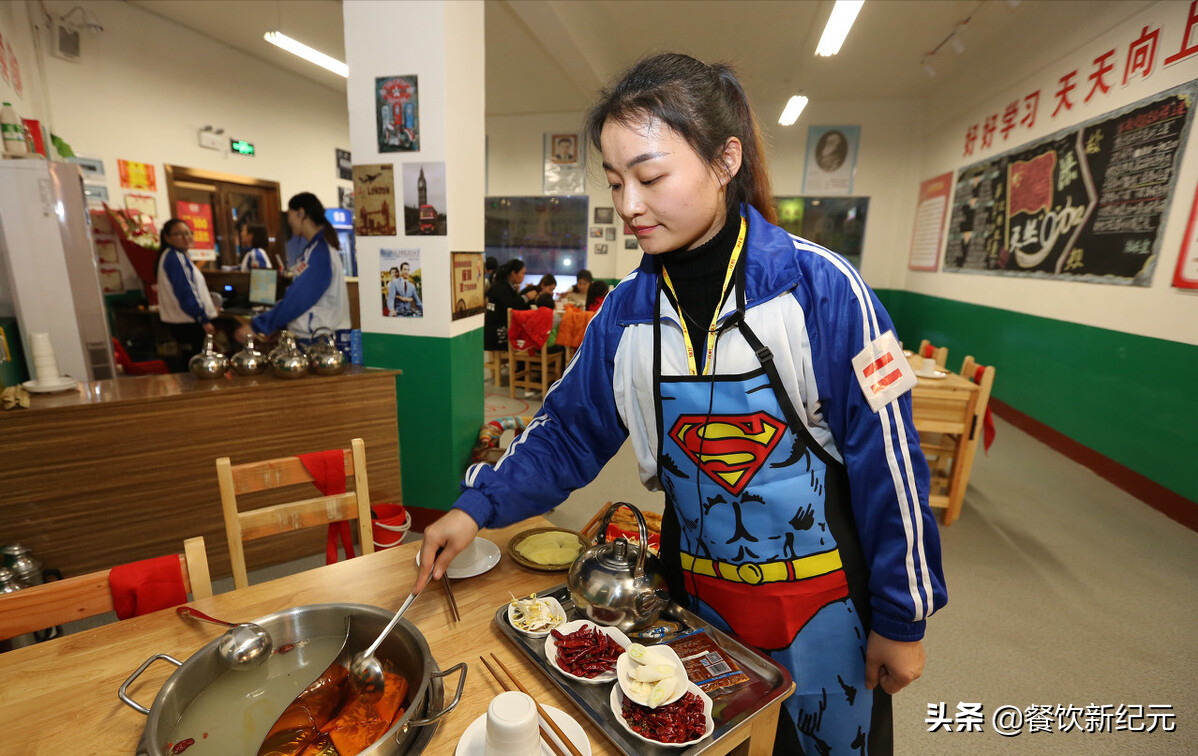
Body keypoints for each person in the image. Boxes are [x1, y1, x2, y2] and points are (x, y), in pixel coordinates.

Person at [418, 53, 945, 755]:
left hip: (825, 611)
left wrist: (902, 621)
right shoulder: (624, 317)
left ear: (726, 160)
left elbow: (893, 467)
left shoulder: (824, 292)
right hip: (694, 610)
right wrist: (474, 505)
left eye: (651, 176)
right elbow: (567, 433)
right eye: (614, 183)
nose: (629, 205)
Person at [236, 193, 350, 344]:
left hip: (321, 341)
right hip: (314, 338)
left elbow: (299, 298)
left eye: (290, 217)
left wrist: (259, 326)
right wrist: (278, 327)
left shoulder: (320, 253)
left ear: (300, 213)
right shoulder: (313, 250)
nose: (289, 222)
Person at [155, 218, 218, 371]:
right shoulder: (175, 257)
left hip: (183, 321)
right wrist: (203, 319)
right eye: (179, 234)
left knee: (189, 364)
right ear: (167, 237)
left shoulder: (175, 255)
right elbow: (186, 291)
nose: (186, 237)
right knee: (196, 366)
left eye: (188, 233)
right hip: (188, 322)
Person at [484, 259, 530, 351]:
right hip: (496, 333)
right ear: (513, 273)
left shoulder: (507, 285)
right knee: (527, 344)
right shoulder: (501, 286)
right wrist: (526, 297)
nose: (523, 277)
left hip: (503, 328)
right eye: (522, 273)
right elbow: (511, 305)